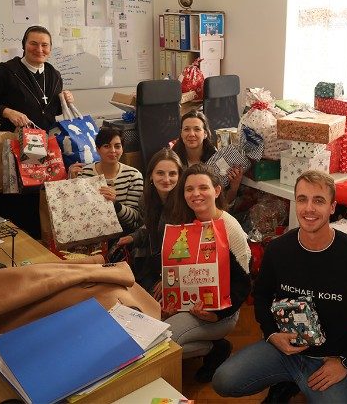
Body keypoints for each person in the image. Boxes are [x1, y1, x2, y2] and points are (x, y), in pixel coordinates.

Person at [213, 170, 347, 403]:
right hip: (283, 349)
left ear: (332, 207)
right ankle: (287, 381)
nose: (309, 209)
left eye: (319, 201)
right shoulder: (278, 250)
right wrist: (272, 334)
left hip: (329, 358)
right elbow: (262, 295)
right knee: (223, 380)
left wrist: (346, 361)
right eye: (302, 199)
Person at [0, 25, 74, 239]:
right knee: (14, 201)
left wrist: (64, 101)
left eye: (45, 45)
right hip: (14, 147)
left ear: (50, 48)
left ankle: (39, 247)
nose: (39, 49)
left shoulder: (53, 74)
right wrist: (7, 111)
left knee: (39, 203)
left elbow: (48, 111)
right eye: (33, 43)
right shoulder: (7, 71)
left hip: (43, 149)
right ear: (24, 45)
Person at [163, 163, 252, 383]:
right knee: (156, 331)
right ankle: (214, 347)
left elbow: (243, 285)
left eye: (203, 187)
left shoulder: (229, 228)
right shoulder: (182, 224)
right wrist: (170, 297)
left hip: (221, 313)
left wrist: (215, 315)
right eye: (189, 189)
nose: (196, 194)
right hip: (190, 305)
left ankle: (213, 348)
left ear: (217, 190)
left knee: (165, 341)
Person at [116, 148, 183, 293]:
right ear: (151, 176)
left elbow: (186, 248)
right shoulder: (145, 200)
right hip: (152, 261)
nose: (166, 179)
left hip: (178, 268)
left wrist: (168, 277)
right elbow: (147, 228)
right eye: (160, 173)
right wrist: (133, 237)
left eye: (172, 174)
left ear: (180, 176)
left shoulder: (185, 203)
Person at [68, 127, 143, 234]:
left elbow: (134, 218)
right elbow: (74, 212)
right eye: (106, 146)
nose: (113, 151)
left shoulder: (133, 176)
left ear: (122, 149)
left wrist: (115, 204)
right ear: (97, 149)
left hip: (122, 234)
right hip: (88, 232)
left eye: (117, 146)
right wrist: (71, 183)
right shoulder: (83, 173)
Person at [172, 110, 243, 204]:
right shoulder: (173, 160)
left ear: (205, 133)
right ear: (181, 134)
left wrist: (234, 187)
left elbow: (223, 204)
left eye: (197, 129)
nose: (191, 134)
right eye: (186, 129)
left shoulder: (218, 159)